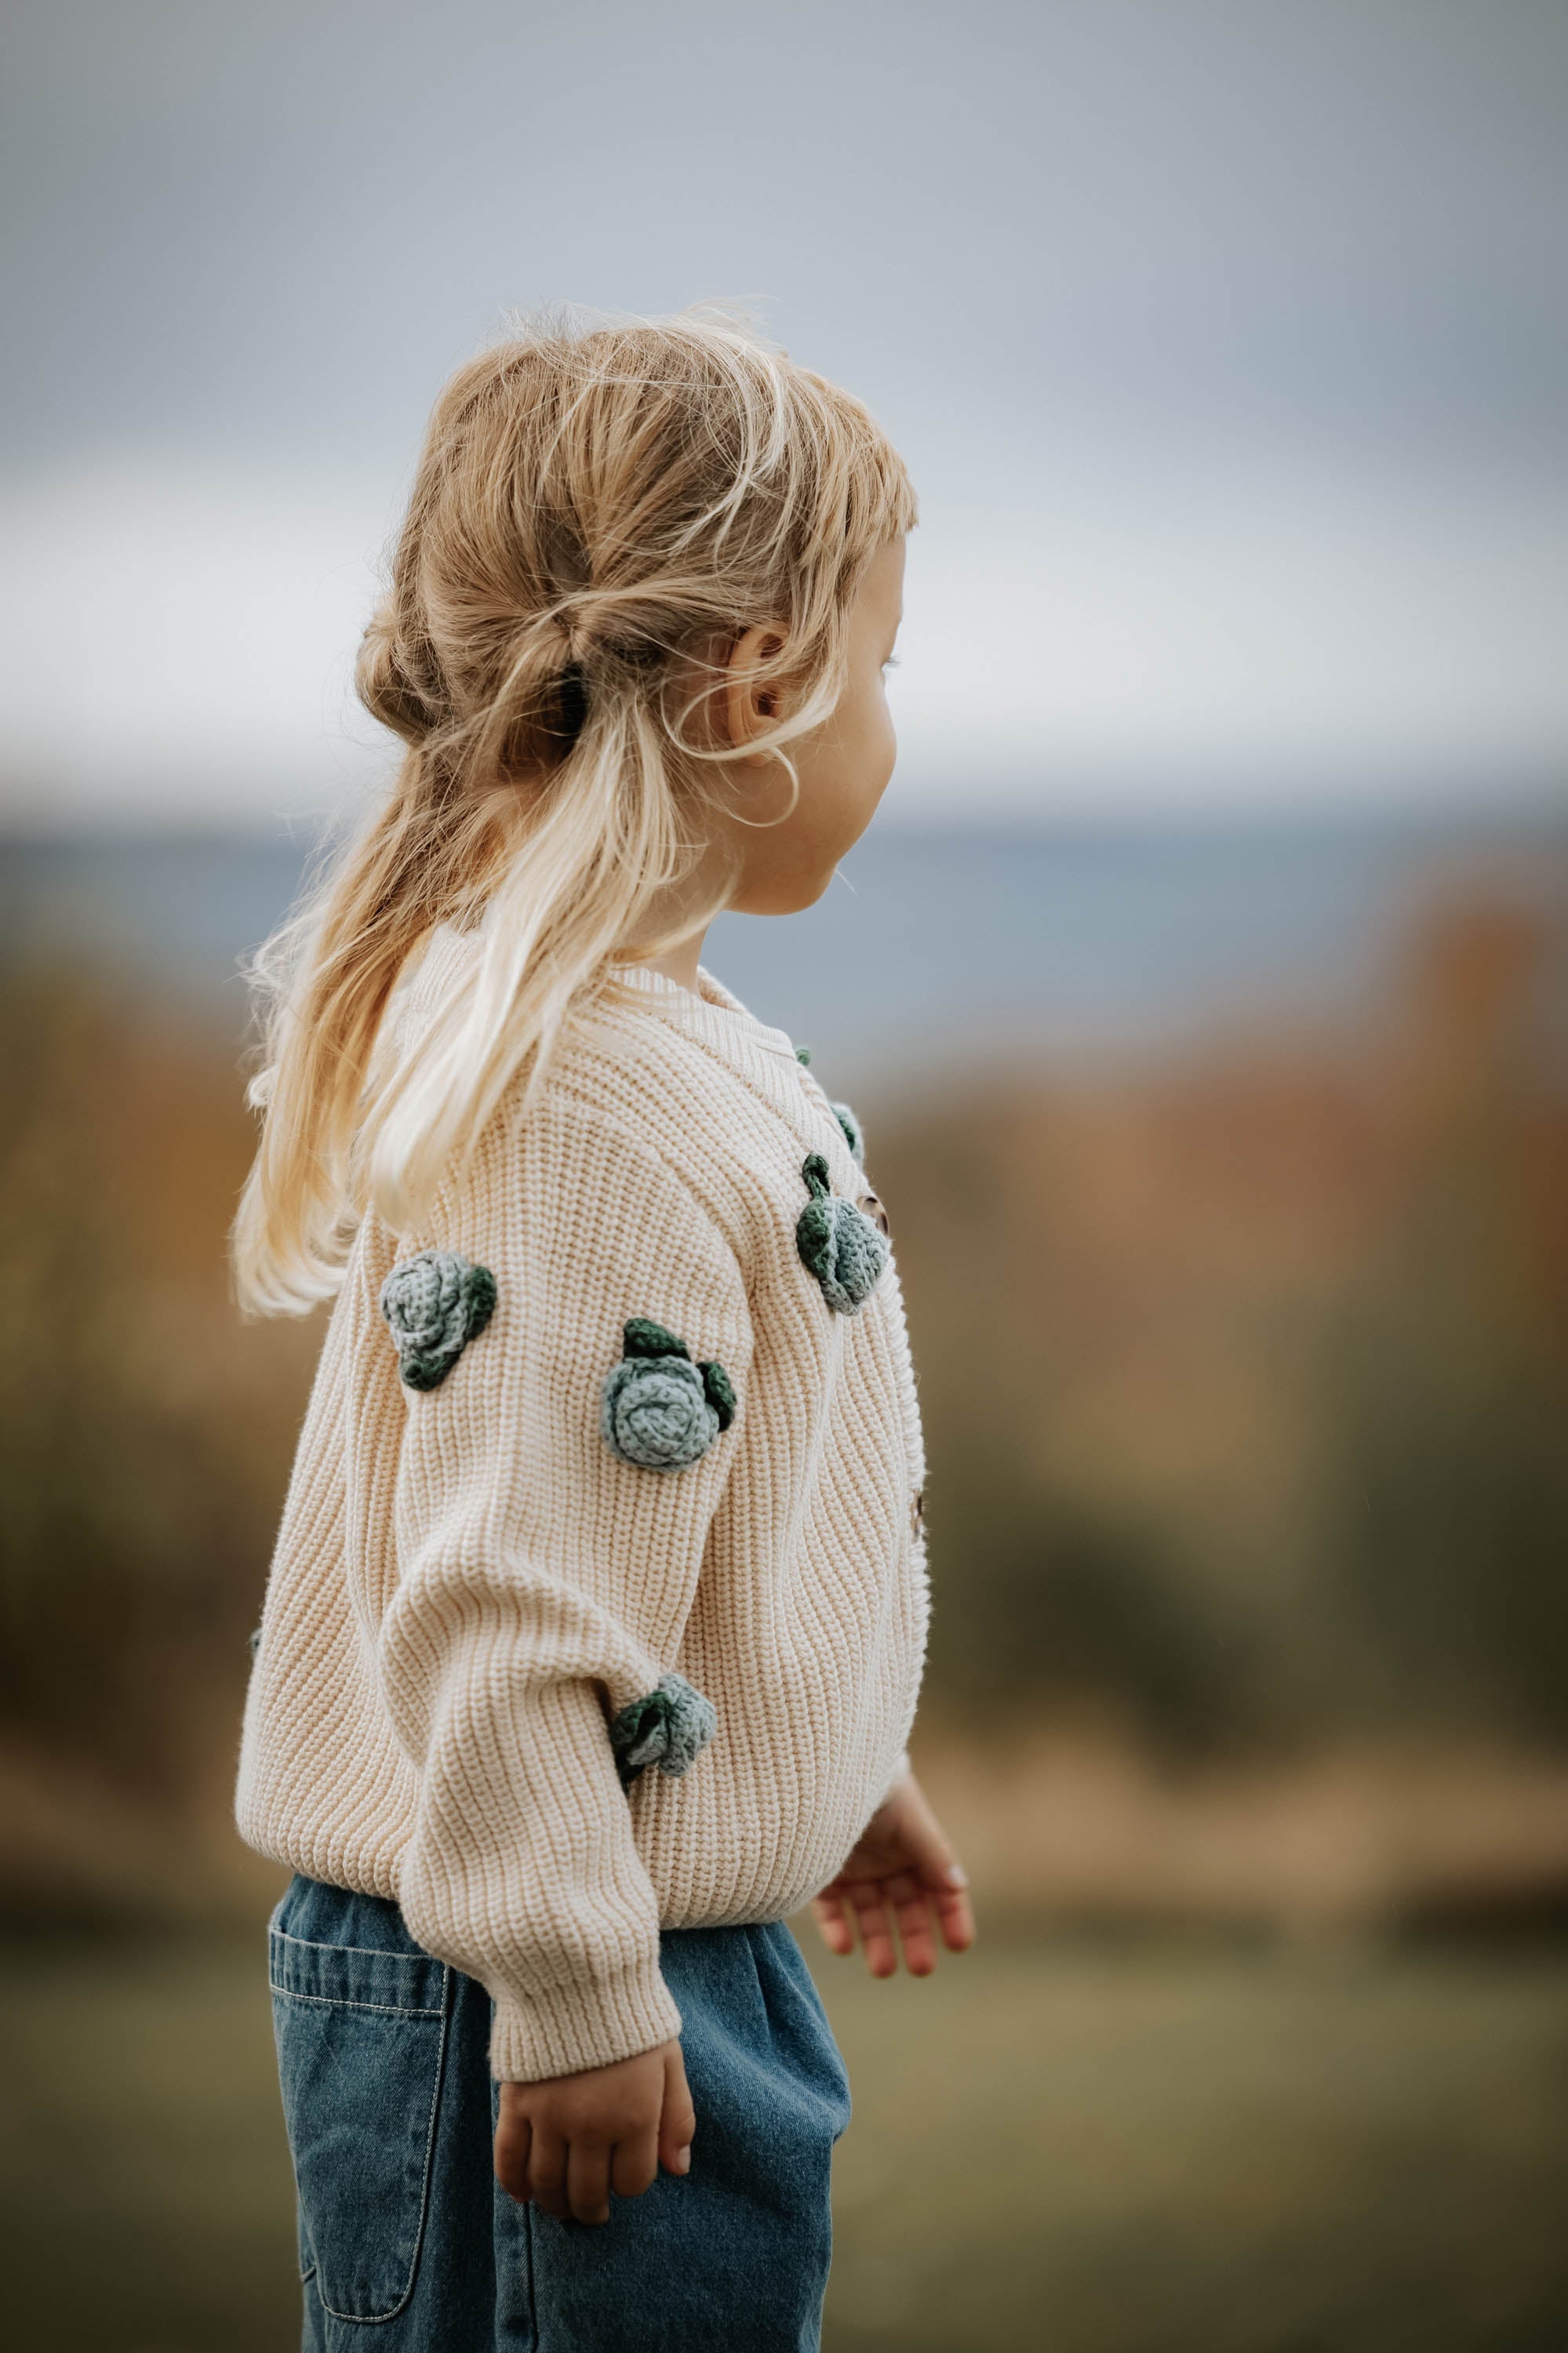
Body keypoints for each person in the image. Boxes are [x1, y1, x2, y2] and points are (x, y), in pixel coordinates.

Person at [231, 308, 973, 2353]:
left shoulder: (674, 1049)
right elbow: (506, 1597)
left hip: (622, 1933)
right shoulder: (584, 1110)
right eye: (883, 668)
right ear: (759, 686)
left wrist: (838, 1759)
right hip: (538, 1969)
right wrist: (571, 1985)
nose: (890, 722)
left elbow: (687, 1526)